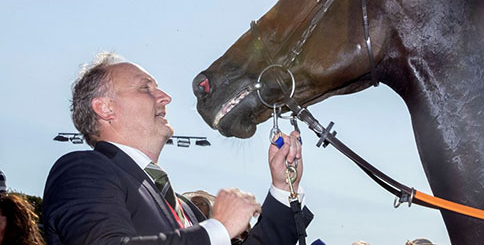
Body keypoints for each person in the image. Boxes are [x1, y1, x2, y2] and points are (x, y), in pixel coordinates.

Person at [43, 53, 313, 244]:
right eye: (145, 88)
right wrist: (217, 229)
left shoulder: (184, 207)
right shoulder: (80, 171)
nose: (165, 97)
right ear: (105, 108)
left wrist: (282, 187)